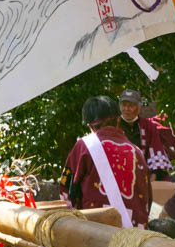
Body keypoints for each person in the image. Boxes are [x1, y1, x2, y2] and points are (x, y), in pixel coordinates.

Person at [60, 95, 151, 227]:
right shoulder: (137, 152)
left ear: (90, 126)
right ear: (118, 120)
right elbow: (147, 199)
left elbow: (67, 192)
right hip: (136, 233)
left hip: (97, 231)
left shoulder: (84, 146)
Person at [117, 90, 172, 178]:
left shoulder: (148, 126)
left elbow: (155, 148)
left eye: (131, 105)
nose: (126, 109)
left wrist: (154, 175)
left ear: (140, 108)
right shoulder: (114, 125)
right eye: (124, 105)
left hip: (143, 173)